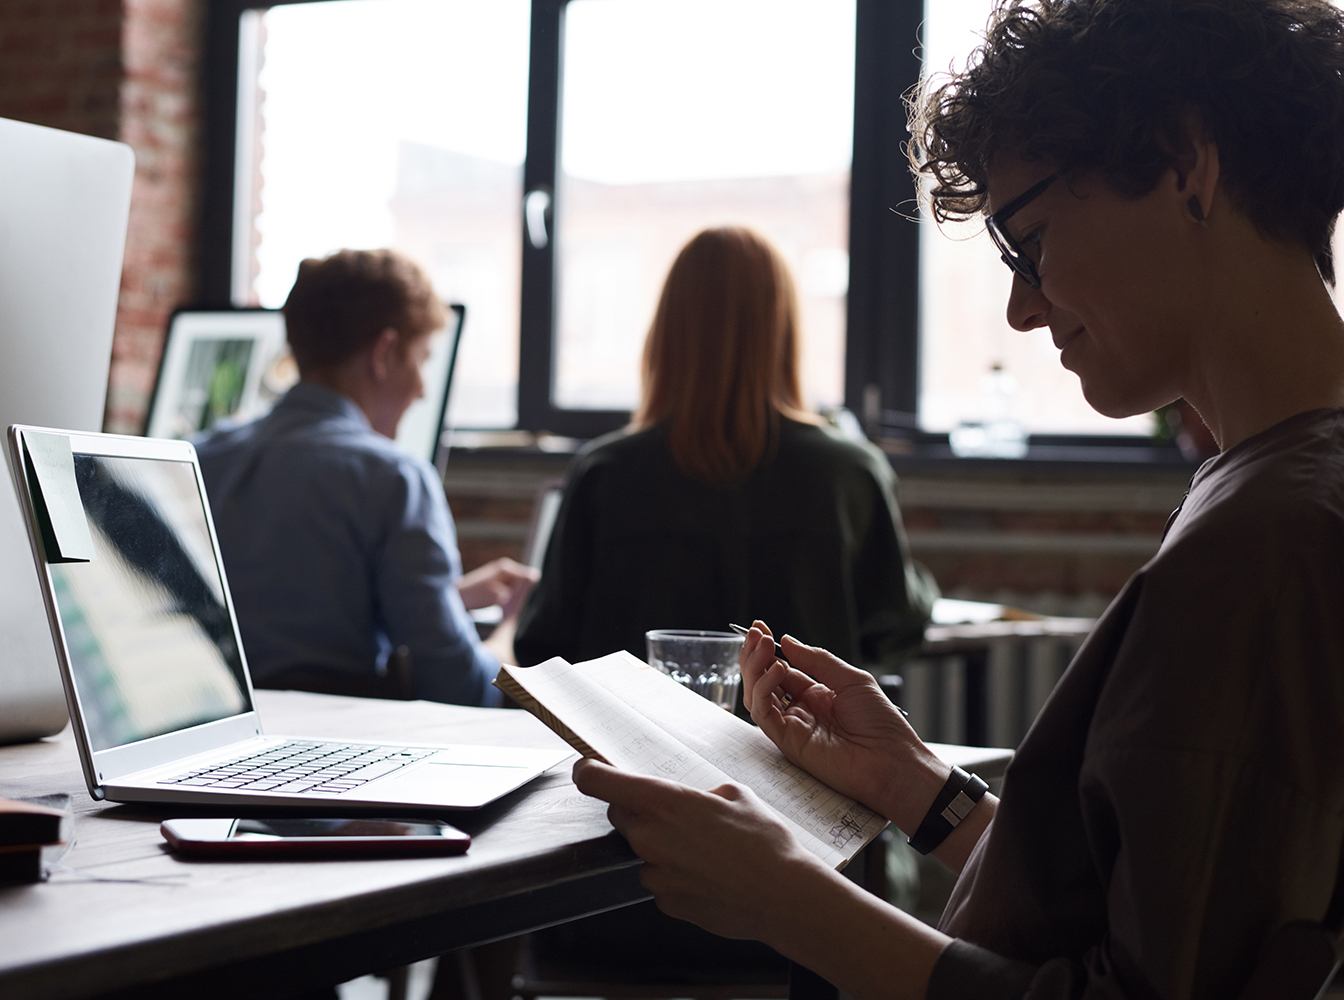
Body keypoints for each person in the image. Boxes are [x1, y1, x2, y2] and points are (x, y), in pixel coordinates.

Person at [571, 1, 1344, 997]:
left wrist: (789, 901)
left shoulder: (1268, 545)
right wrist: (915, 786)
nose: (1022, 308)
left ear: (1187, 167)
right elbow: (1144, 908)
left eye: (1030, 242)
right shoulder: (1276, 486)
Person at [514, 226, 937, 669]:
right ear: (785, 332)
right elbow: (895, 626)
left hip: (629, 717)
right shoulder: (850, 471)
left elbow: (543, 643)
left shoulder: (605, 471)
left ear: (667, 331)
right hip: (796, 717)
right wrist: (921, 588)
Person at [197, 248, 535, 706]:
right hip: (335, 734)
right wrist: (509, 633)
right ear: (384, 353)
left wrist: (447, 600)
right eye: (421, 359)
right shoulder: (394, 479)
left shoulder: (203, 457)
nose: (422, 389)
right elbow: (460, 688)